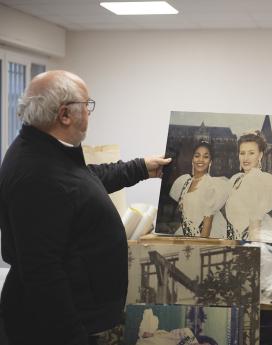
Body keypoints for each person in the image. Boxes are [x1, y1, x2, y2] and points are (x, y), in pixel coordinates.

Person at [0, 70, 171, 345]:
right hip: (50, 331)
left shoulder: (46, 151)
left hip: (68, 319)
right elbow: (42, 271)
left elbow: (83, 182)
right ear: (65, 114)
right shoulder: (36, 174)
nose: (89, 113)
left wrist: (140, 168)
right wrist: (72, 337)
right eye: (87, 105)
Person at [224, 130, 272, 241]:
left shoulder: (258, 180)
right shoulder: (236, 179)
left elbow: (255, 226)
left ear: (260, 155)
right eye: (242, 153)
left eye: (251, 153)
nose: (245, 158)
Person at [169, 141, 229, 238]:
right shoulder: (184, 182)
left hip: (206, 235)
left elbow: (207, 225)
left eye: (206, 157)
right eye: (197, 156)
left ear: (210, 162)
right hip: (187, 232)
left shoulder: (212, 185)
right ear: (192, 159)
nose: (200, 159)